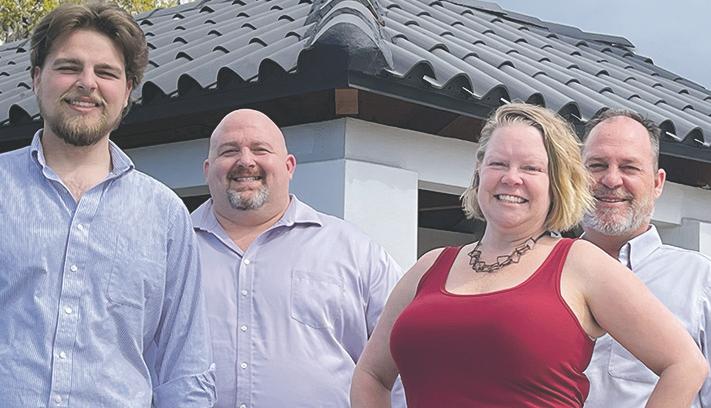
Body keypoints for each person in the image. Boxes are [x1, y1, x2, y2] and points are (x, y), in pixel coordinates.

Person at [351, 102, 708, 407]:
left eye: (531, 168)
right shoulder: (429, 266)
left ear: (557, 182)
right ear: (478, 172)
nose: (512, 178)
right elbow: (370, 374)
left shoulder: (582, 262)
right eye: (498, 163)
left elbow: (686, 365)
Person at [0, 2, 216, 407]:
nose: (87, 83)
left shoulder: (166, 216)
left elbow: (185, 369)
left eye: (106, 72)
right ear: (36, 78)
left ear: (127, 90)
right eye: (69, 67)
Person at [192, 108, 404, 408]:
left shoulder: (354, 251)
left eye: (260, 149)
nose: (245, 161)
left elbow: (403, 360)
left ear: (289, 166)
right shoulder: (172, 249)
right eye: (229, 151)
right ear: (207, 169)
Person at [581, 109, 711, 407]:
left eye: (629, 167)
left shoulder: (701, 282)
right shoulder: (545, 269)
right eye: (597, 165)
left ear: (657, 183)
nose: (611, 179)